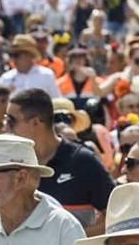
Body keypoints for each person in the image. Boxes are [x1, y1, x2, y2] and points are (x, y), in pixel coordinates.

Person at [6, 87, 115, 232]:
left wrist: (73, 241)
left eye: (11, 121)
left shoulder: (83, 161)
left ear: (36, 123)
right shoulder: (10, 162)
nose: (6, 128)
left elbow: (115, 214)